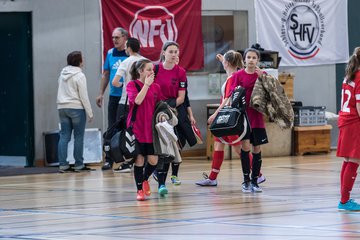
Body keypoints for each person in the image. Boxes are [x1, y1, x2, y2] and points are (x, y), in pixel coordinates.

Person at [154, 41, 197, 196]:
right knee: (163, 146)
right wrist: (160, 110)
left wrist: (174, 110)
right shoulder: (155, 69)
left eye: (176, 52)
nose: (174, 55)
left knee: (179, 142)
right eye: (171, 51)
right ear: (164, 52)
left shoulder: (180, 72)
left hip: (175, 110)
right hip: (157, 111)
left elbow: (182, 97)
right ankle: (158, 177)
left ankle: (174, 174)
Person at [195, 50, 244, 186]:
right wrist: (223, 58)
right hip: (225, 115)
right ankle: (212, 177)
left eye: (224, 61)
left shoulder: (232, 78)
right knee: (218, 143)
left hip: (227, 116)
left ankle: (258, 174)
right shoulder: (234, 74)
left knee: (238, 148)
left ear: (227, 63)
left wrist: (214, 115)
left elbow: (226, 99)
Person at [233, 48, 268, 193]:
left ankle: (255, 181)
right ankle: (246, 180)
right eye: (249, 57)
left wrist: (263, 79)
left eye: (254, 57)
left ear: (258, 60)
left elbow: (271, 94)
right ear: (244, 60)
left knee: (257, 148)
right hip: (244, 117)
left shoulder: (262, 74)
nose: (251, 60)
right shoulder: (238, 75)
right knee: (245, 147)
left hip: (257, 117)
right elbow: (233, 95)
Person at [95, 27, 130, 171]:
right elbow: (106, 74)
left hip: (127, 98)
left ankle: (127, 160)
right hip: (114, 97)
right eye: (113, 37)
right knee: (111, 128)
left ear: (125, 38)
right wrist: (101, 93)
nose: (114, 40)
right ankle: (109, 160)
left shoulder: (130, 55)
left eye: (117, 37)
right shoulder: (110, 53)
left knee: (125, 129)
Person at [126, 59, 161, 201]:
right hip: (137, 128)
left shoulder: (156, 87)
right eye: (148, 70)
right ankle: (139, 189)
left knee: (153, 160)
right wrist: (146, 85)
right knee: (139, 159)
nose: (152, 72)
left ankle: (145, 178)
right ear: (140, 71)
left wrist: (163, 115)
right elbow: (138, 101)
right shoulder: (132, 85)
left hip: (150, 129)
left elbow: (159, 105)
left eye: (152, 70)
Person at [111, 38, 145, 172]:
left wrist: (123, 86)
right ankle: (142, 159)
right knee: (141, 131)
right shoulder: (145, 61)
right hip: (143, 102)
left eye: (126, 47)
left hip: (127, 102)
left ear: (129, 48)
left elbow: (114, 82)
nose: (125, 49)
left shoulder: (125, 62)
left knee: (127, 132)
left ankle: (128, 162)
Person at [57, 51, 94, 173]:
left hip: (62, 108)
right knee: (78, 137)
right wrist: (90, 112)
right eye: (82, 58)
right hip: (76, 108)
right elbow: (84, 96)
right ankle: (78, 165)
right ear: (79, 61)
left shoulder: (62, 74)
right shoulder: (80, 76)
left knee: (64, 136)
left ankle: (63, 165)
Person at [337, 47, 360, 211]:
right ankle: (345, 201)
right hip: (354, 122)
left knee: (348, 160)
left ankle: (344, 199)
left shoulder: (349, 76)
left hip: (345, 120)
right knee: (354, 160)